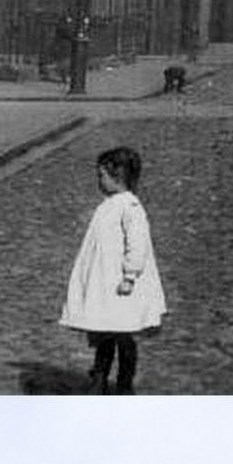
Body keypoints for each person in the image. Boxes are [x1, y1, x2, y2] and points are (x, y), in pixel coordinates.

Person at [61, 145, 166, 393]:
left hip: (122, 284)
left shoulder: (130, 207)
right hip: (105, 281)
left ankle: (124, 383)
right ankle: (99, 377)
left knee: (123, 334)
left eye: (102, 176)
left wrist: (130, 275)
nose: (99, 181)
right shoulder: (110, 204)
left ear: (117, 176)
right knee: (105, 331)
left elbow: (137, 244)